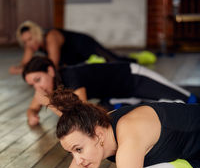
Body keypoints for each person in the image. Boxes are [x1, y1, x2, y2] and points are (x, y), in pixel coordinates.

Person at [47, 88, 200, 168]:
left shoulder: (129, 134)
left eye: (78, 149)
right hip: (191, 156)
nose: (78, 160)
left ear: (98, 135)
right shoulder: (97, 127)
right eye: (72, 153)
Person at [22, 56, 196, 126]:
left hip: (132, 78)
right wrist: (32, 114)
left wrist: (51, 105)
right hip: (114, 97)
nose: (38, 87)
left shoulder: (72, 76)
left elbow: (83, 116)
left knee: (190, 101)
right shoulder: (46, 87)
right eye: (32, 84)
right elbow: (32, 107)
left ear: (50, 71)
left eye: (38, 80)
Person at [9, 20, 150, 75]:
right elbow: (23, 65)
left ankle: (137, 58)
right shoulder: (31, 46)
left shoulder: (50, 37)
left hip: (84, 45)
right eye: (25, 41)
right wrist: (20, 68)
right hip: (75, 58)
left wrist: (25, 70)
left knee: (115, 61)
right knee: (100, 66)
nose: (29, 43)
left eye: (30, 38)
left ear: (36, 34)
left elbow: (53, 64)